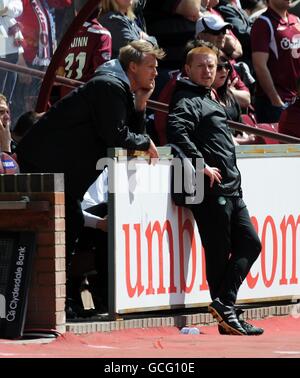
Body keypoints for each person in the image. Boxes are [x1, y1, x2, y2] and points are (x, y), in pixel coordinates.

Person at [16, 40, 164, 317]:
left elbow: (125, 133)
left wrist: (141, 105)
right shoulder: (109, 86)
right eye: (151, 67)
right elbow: (117, 135)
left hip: (59, 169)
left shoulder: (116, 87)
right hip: (45, 164)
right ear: (133, 66)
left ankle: (59, 302)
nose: (156, 73)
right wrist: (145, 140)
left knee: (69, 223)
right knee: (64, 224)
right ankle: (53, 304)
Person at [167, 46, 263, 335]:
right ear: (187, 69)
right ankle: (226, 312)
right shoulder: (186, 98)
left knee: (251, 243)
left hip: (231, 187)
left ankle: (225, 306)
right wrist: (200, 165)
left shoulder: (209, 96)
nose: (208, 71)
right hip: (209, 190)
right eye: (202, 66)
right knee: (219, 253)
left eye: (212, 66)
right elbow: (176, 129)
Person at [251, 0, 300, 122]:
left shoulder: (297, 20)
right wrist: (276, 100)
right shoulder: (263, 23)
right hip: (275, 103)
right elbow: (259, 65)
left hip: (296, 100)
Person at [57, 7, 112, 97]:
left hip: (65, 98)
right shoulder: (102, 33)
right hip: (87, 97)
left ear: (76, 12)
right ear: (100, 10)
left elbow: (60, 71)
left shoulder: (67, 35)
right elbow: (102, 71)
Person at [0, 0, 24, 104]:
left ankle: (5, 111)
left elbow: (19, 7)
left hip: (9, 37)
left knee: (10, 75)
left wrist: (7, 10)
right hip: (2, 37)